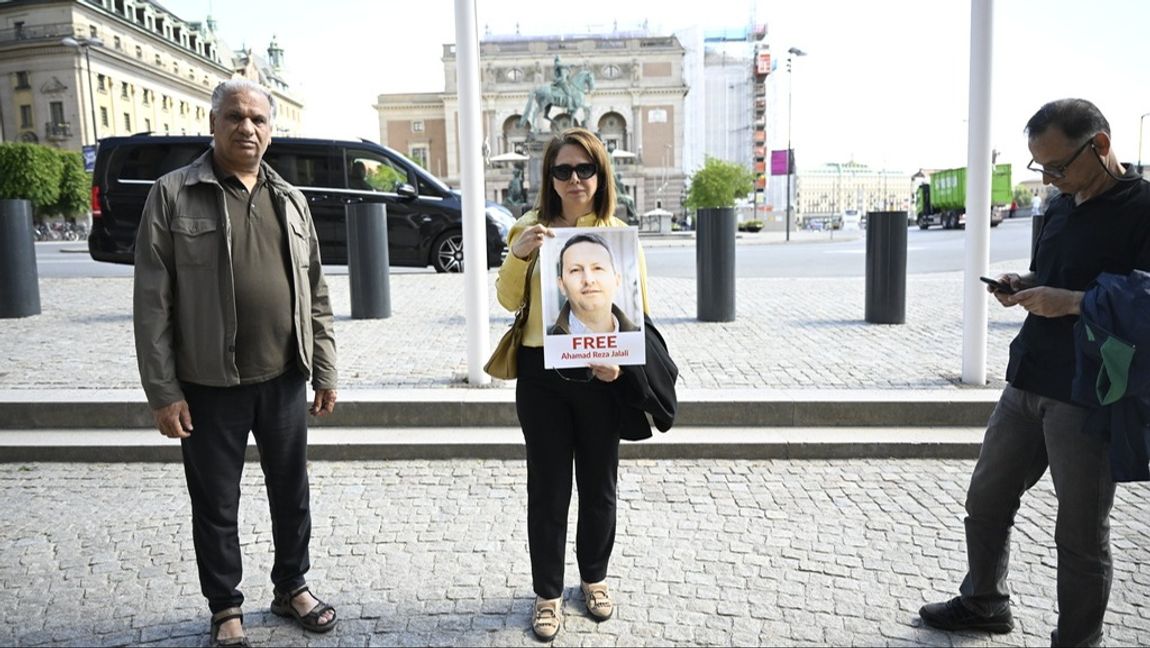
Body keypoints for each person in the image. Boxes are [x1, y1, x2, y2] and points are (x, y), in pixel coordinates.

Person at [918, 98, 1150, 647]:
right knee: (987, 497)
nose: (1048, 178)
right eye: (1040, 168)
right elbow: (1054, 273)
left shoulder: (1143, 208)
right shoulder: (1061, 206)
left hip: (1088, 389)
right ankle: (984, 602)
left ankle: (1076, 640)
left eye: (1058, 167)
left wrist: (1069, 301)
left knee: (1080, 533)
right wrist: (1023, 284)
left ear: (1101, 144)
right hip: (1028, 375)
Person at [133, 79, 340, 648]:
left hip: (283, 377)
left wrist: (325, 369)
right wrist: (162, 391)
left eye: (258, 118)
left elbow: (316, 292)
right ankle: (225, 608)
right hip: (207, 384)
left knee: (290, 492)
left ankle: (291, 586)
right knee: (216, 503)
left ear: (270, 129)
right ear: (214, 123)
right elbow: (152, 302)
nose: (247, 127)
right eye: (235, 116)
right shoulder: (173, 194)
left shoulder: (291, 200)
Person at [496, 127, 649, 641]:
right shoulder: (528, 225)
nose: (574, 179)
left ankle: (595, 579)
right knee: (548, 488)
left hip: (603, 371)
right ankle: (547, 594)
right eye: (563, 170)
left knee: (600, 485)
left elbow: (638, 310)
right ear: (550, 178)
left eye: (584, 169)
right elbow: (505, 299)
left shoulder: (616, 231)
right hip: (544, 375)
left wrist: (621, 365)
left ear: (599, 174)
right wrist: (519, 255)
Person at [548, 233, 639, 335]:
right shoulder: (544, 342)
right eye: (575, 270)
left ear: (617, 280)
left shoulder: (644, 339)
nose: (588, 280)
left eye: (598, 268)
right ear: (561, 285)